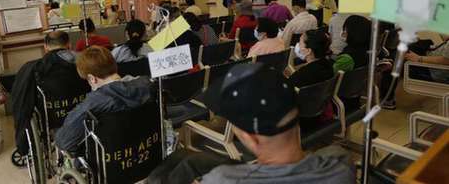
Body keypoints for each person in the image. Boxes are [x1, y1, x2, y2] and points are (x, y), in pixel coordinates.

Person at [148, 63, 356, 184]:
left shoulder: (223, 180)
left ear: (249, 137)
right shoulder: (340, 164)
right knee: (194, 160)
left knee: (160, 176)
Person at [55, 46, 152, 152]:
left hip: (110, 161)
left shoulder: (92, 104)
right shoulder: (148, 86)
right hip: (147, 154)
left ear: (92, 78)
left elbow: (64, 142)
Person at [11, 31, 91, 155]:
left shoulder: (33, 69)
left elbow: (21, 104)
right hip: (85, 116)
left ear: (46, 47)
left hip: (52, 120)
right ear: (69, 44)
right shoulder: (85, 61)